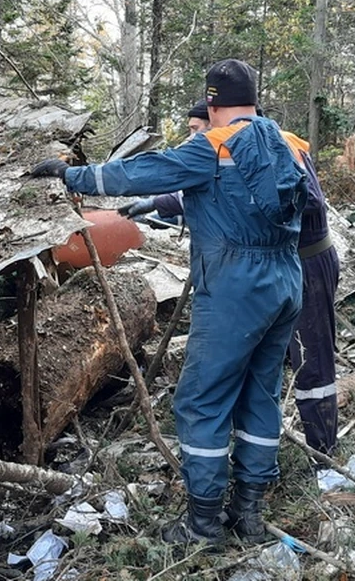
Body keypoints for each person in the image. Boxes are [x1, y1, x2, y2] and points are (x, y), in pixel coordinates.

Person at [30, 59, 309, 545]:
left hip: (236, 288)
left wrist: (71, 176)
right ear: (255, 100)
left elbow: (142, 172)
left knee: (202, 399)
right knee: (259, 394)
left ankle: (202, 524)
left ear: (213, 102)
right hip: (287, 280)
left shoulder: (214, 145)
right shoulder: (291, 145)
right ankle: (249, 513)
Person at [121, 118, 341, 458]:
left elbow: (307, 199)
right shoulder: (223, 152)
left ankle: (323, 454)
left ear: (220, 122)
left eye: (197, 127)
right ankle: (253, 451)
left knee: (312, 361)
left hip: (306, 262)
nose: (193, 135)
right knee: (263, 361)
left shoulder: (279, 144)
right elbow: (209, 187)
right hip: (273, 268)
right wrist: (155, 204)